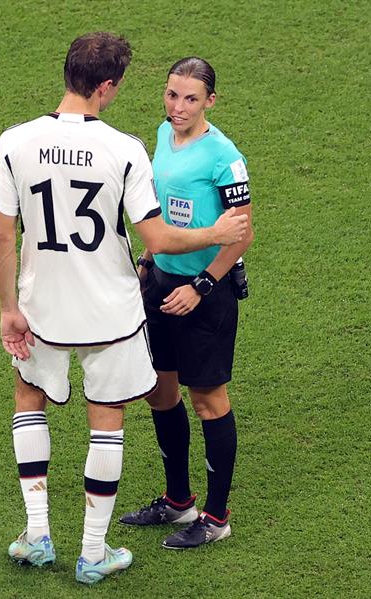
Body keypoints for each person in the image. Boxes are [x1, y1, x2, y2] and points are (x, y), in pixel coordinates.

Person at [0, 35, 248, 584]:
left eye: (188, 97)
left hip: (42, 304)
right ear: (107, 86)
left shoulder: (15, 141)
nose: (175, 106)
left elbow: (1, 238)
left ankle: (37, 535)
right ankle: (94, 551)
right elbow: (154, 233)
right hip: (113, 306)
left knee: (29, 399)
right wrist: (213, 232)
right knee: (111, 412)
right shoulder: (125, 148)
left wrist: (9, 307)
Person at [119, 57, 254, 550]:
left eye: (190, 98)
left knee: (207, 400)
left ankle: (216, 518)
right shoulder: (161, 134)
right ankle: (179, 501)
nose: (178, 107)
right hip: (160, 284)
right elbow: (158, 204)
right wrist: (148, 261)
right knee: (159, 390)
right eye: (172, 95)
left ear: (210, 102)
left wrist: (200, 285)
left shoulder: (225, 158)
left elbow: (241, 235)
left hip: (204, 294)